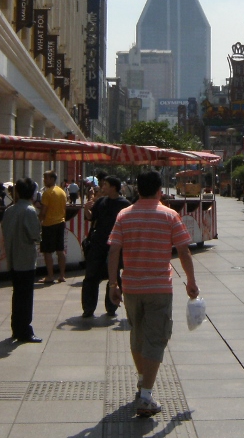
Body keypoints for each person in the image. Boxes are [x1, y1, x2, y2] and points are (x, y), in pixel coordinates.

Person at [107, 170, 199, 417]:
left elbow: (114, 250)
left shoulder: (124, 216)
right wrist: (191, 281)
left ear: (137, 189)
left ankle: (141, 382)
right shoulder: (170, 216)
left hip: (132, 287)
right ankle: (146, 396)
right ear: (160, 190)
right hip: (159, 288)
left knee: (137, 334)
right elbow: (184, 251)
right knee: (156, 338)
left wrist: (113, 284)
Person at [81, 175, 131, 318]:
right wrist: (86, 209)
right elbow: (91, 217)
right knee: (91, 276)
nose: (102, 188)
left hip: (115, 246)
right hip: (97, 244)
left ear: (113, 187)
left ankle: (111, 306)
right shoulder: (101, 202)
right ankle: (88, 308)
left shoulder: (125, 204)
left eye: (105, 185)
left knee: (114, 276)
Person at [2, 177, 42, 343]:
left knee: (17, 294)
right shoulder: (30, 210)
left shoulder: (9, 210)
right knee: (26, 296)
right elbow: (35, 235)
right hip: (25, 258)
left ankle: (16, 327)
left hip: (12, 257)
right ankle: (25, 329)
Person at [38, 170, 68, 284]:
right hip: (60, 222)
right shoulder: (62, 192)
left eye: (46, 178)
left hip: (49, 224)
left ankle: (50, 276)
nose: (44, 180)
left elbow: (44, 211)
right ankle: (62, 275)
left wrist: (38, 220)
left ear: (52, 179)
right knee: (60, 250)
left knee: (48, 252)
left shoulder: (48, 193)